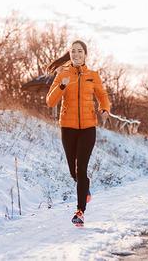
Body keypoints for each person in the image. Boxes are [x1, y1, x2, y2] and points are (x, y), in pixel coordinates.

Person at [45, 40, 111, 226]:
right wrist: (62, 86)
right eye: (73, 51)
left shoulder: (93, 75)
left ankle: (80, 211)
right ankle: (85, 188)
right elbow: (50, 101)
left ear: (85, 54)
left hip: (88, 128)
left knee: (81, 168)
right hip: (68, 127)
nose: (76, 54)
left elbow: (102, 96)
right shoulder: (63, 74)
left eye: (79, 51)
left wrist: (104, 109)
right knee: (73, 171)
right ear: (70, 54)